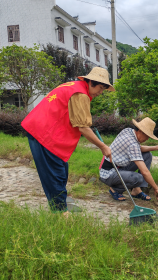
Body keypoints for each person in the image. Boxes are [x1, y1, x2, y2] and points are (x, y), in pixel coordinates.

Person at [21, 67, 114, 215]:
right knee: (55, 174)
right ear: (90, 82)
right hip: (44, 134)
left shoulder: (73, 86)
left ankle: (60, 203)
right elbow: (83, 128)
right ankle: (60, 213)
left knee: (62, 171)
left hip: (42, 129)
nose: (100, 93)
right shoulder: (81, 94)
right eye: (100, 88)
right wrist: (103, 146)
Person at [100, 117, 158, 201]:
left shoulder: (128, 131)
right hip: (109, 173)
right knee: (138, 178)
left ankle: (136, 190)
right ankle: (115, 189)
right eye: (147, 136)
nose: (147, 139)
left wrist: (156, 147)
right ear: (141, 131)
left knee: (147, 155)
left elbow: (139, 148)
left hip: (119, 166)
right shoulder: (132, 144)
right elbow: (145, 172)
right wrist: (156, 188)